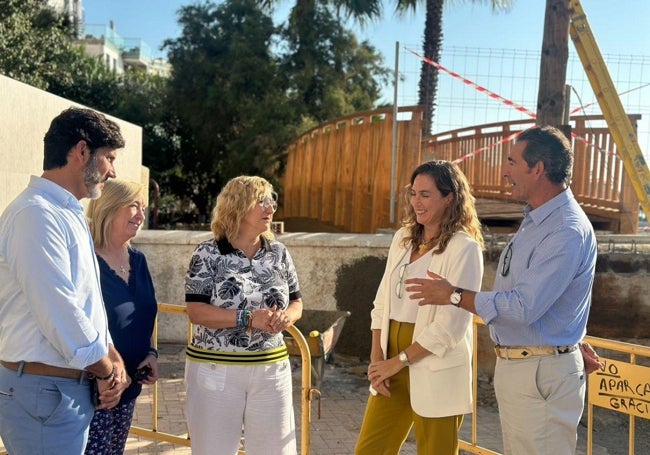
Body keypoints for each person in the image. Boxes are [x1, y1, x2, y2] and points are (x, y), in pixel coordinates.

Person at [406, 126, 603, 455]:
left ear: (537, 169)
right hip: (532, 368)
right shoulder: (539, 220)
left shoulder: (564, 229)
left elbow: (525, 306)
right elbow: (554, 296)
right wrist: (566, 340)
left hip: (538, 373)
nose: (504, 171)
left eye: (512, 162)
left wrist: (453, 295)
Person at [0, 107, 131, 454]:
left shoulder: (64, 211)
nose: (112, 171)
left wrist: (112, 356)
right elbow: (59, 310)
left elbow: (84, 302)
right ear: (82, 151)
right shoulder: (36, 214)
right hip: (45, 393)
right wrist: (106, 371)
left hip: (56, 392)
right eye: (109, 157)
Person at [355, 160, 484, 455]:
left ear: (449, 197)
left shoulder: (464, 248)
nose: (416, 202)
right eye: (413, 194)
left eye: (426, 195)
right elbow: (382, 300)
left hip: (433, 360)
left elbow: (451, 327)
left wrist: (397, 361)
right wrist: (378, 357)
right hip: (391, 356)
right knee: (370, 449)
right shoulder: (402, 238)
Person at [184, 175, 303, 455]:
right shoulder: (207, 253)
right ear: (237, 206)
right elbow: (196, 311)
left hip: (272, 370)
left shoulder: (279, 253)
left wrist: (287, 317)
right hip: (216, 370)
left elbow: (297, 302)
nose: (270, 207)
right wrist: (248, 318)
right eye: (261, 201)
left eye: (271, 200)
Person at [85, 179, 160, 454]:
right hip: (95, 393)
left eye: (143, 207)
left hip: (129, 390)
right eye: (133, 206)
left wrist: (151, 353)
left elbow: (144, 315)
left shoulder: (138, 260)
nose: (141, 215)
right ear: (108, 208)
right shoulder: (86, 260)